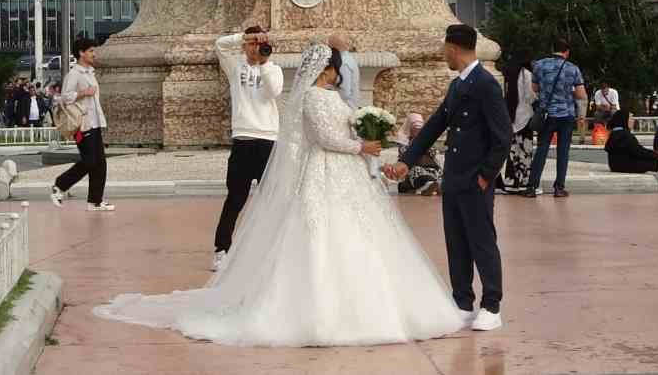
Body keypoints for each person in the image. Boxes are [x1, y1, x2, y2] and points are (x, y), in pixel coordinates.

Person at [96, 43, 467, 345]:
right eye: (337, 66)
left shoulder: (326, 94)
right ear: (327, 68)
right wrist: (360, 148)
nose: (340, 73)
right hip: (325, 171)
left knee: (359, 234)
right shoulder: (314, 98)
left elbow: (341, 129)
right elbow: (323, 139)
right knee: (322, 236)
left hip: (345, 174)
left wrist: (362, 136)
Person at [385, 24, 510, 331]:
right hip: (454, 177)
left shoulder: (485, 84)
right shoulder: (457, 85)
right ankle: (462, 303)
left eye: (445, 49)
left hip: (474, 180)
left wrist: (485, 176)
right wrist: (406, 161)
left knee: (481, 242)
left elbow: (502, 136)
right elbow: (435, 126)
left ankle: (491, 306)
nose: (443, 54)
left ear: (454, 48)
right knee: (457, 243)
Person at [211, 27, 285, 271]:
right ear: (245, 45)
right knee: (235, 198)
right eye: (252, 43)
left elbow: (273, 91)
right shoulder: (235, 66)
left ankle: (273, 249)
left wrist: (263, 62)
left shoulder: (273, 69)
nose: (255, 47)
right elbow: (220, 45)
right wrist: (243, 38)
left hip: (267, 139)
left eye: (259, 43)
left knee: (272, 199)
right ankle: (221, 249)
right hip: (243, 138)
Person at [52, 39, 113, 211]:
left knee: (100, 163)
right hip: (82, 125)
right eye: (91, 50)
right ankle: (59, 186)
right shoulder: (75, 74)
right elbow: (64, 97)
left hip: (95, 123)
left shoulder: (90, 73)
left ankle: (95, 201)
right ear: (81, 52)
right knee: (89, 161)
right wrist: (84, 92)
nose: (94, 54)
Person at [527, 38, 585, 198]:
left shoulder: (540, 65)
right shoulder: (573, 68)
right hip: (566, 115)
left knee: (542, 149)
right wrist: (568, 92)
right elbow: (581, 94)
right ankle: (559, 187)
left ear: (553, 49)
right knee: (563, 151)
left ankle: (532, 186)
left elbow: (535, 87)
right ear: (567, 52)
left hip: (547, 115)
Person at [495, 59, 538, 195]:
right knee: (525, 151)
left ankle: (510, 182)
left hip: (510, 117)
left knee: (512, 151)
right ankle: (523, 182)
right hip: (524, 117)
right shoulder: (526, 74)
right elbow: (530, 96)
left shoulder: (505, 74)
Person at [604, 110, 658, 175]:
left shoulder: (615, 133)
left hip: (616, 165)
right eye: (631, 118)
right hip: (625, 165)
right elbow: (639, 151)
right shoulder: (624, 134)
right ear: (624, 120)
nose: (633, 121)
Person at [392, 112, 441, 195]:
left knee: (440, 173)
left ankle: (437, 186)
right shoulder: (404, 142)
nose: (417, 131)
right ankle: (427, 186)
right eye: (415, 129)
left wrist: (425, 147)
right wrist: (413, 146)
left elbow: (433, 153)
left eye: (420, 129)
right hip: (414, 169)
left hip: (430, 167)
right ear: (410, 129)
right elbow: (404, 157)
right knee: (417, 172)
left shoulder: (427, 140)